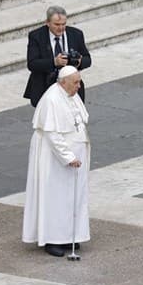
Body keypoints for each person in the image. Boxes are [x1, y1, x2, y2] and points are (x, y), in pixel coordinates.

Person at [22, 66, 90, 258]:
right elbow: (52, 134)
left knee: (72, 197)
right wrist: (68, 157)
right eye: (75, 82)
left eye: (79, 81)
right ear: (63, 82)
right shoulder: (52, 99)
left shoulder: (71, 94)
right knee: (55, 198)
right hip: (54, 159)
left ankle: (70, 235)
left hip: (74, 159)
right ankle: (52, 239)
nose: (79, 86)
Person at [24, 6, 91, 107]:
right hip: (45, 85)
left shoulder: (76, 34)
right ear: (47, 22)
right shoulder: (36, 36)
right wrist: (54, 62)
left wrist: (79, 62)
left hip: (70, 86)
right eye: (56, 24)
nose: (60, 28)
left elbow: (88, 60)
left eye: (63, 24)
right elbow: (32, 64)